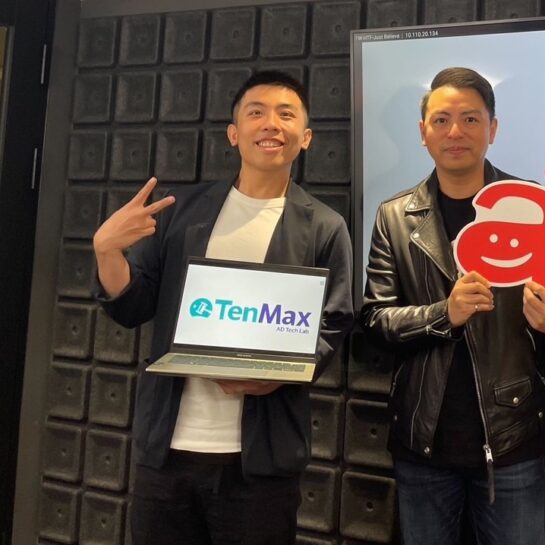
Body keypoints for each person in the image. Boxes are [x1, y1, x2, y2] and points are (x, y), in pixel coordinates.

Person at [92, 70, 355, 545]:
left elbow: (332, 325)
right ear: (234, 134)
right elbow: (132, 306)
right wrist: (107, 251)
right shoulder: (181, 210)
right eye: (256, 113)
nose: (270, 124)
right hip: (167, 453)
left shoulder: (325, 226)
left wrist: (276, 375)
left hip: (260, 461)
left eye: (286, 114)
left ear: (306, 137)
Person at [361, 66, 545, 545]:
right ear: (423, 132)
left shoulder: (529, 207)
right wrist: (443, 314)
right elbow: (376, 319)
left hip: (513, 435)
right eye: (441, 120)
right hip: (423, 440)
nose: (455, 132)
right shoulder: (394, 216)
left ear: (493, 128)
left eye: (470, 119)